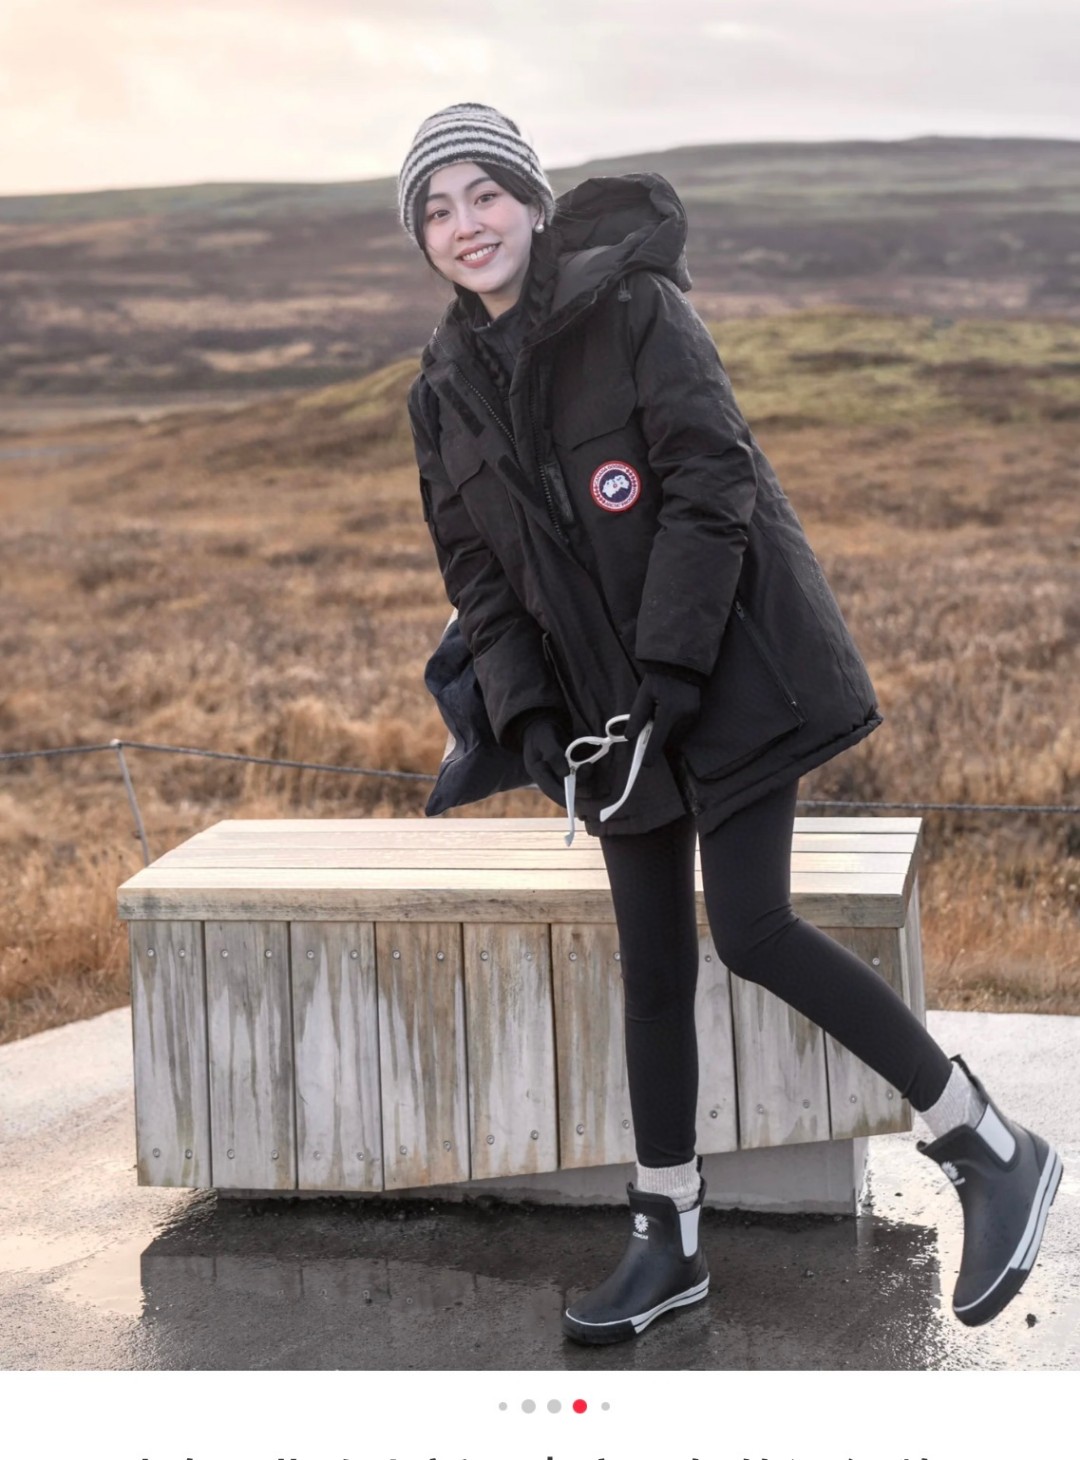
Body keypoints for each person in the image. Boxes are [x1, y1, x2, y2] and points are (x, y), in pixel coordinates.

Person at [398, 102, 1062, 1344]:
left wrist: (671, 668)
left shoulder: (634, 307)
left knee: (752, 927)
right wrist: (530, 712)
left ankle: (988, 1142)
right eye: (436, 211)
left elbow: (715, 479)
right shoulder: (441, 393)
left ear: (533, 202)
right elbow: (477, 574)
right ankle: (669, 1240)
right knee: (651, 967)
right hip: (606, 716)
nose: (464, 225)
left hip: (728, 668)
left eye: (483, 193)